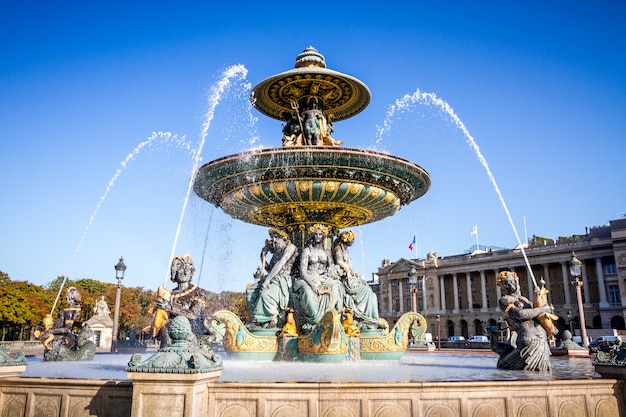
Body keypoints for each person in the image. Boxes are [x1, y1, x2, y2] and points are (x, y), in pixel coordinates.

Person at [491, 271, 553, 371]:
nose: (511, 285)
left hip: (542, 340)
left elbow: (538, 315)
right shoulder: (505, 300)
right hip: (529, 340)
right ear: (502, 286)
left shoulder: (526, 300)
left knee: (540, 374)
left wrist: (541, 302)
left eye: (512, 281)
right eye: (506, 283)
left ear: (517, 280)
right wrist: (542, 309)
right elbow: (521, 314)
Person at [293, 224, 344, 326]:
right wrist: (312, 284)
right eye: (315, 234)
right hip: (308, 279)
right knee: (307, 292)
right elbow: (302, 271)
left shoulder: (327, 252)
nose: (317, 237)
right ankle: (316, 319)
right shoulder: (307, 251)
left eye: (320, 234)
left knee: (336, 285)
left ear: (324, 236)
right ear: (312, 236)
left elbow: (332, 269)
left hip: (324, 279)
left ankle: (329, 314)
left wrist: (329, 277)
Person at [247, 228, 298, 328]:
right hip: (273, 278)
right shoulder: (276, 252)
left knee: (265, 294)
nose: (274, 241)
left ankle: (270, 319)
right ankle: (255, 318)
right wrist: (262, 255)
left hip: (284, 279)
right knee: (251, 291)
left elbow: (281, 263)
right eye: (272, 238)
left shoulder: (290, 248)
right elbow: (270, 269)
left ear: (284, 238)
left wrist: (267, 280)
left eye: (276, 238)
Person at [156, 254, 208, 348]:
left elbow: (193, 314)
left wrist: (170, 307)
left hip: (188, 335)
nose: (184, 272)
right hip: (168, 335)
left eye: (187, 269)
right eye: (181, 269)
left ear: (191, 272)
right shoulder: (168, 294)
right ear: (175, 272)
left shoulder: (198, 292)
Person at [332, 230, 381, 328]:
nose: (353, 241)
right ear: (347, 239)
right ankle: (365, 318)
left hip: (350, 276)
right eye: (352, 239)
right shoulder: (338, 249)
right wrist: (348, 270)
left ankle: (370, 319)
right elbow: (338, 261)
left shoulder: (345, 250)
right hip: (345, 278)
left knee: (372, 295)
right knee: (367, 292)